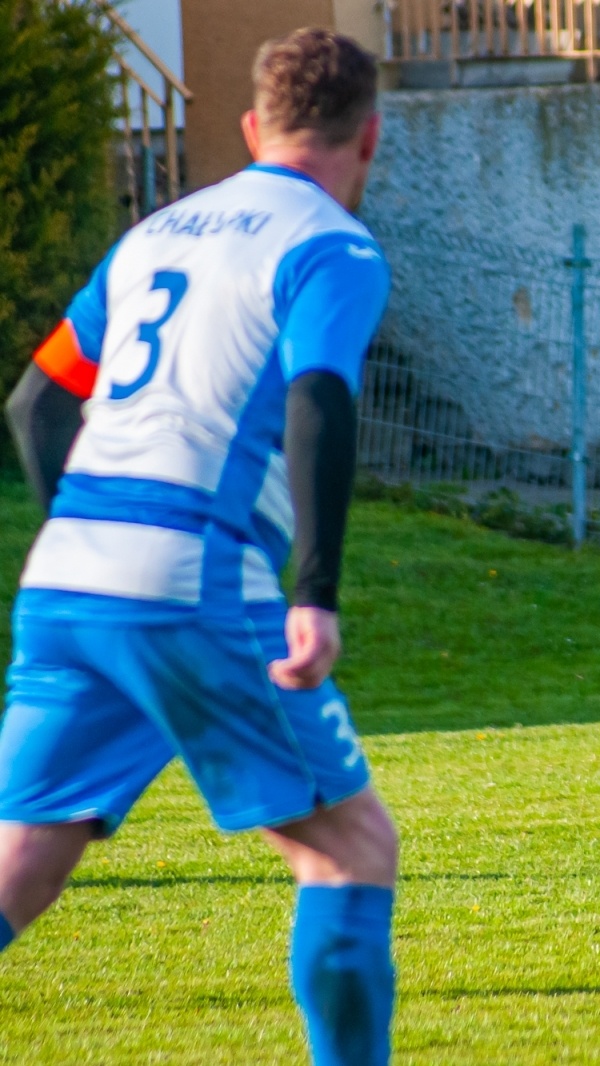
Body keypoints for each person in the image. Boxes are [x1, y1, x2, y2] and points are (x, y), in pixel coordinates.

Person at [0, 29, 396, 1065]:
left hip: (66, 578)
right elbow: (319, 396)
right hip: (192, 576)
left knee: (24, 861)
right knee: (352, 849)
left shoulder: (151, 236)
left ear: (252, 127)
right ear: (370, 136)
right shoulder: (332, 245)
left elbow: (38, 399)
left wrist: (92, 546)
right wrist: (314, 591)